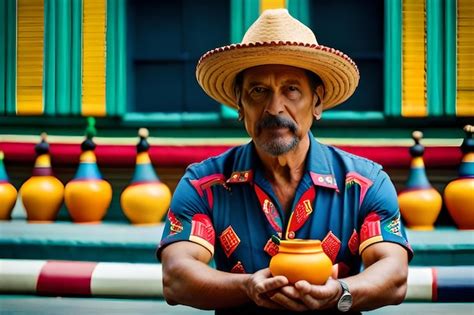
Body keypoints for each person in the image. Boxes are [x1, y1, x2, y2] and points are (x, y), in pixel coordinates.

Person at [157, 9, 412, 314]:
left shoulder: (364, 184)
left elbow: (395, 276)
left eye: (291, 89)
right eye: (258, 91)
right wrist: (247, 287)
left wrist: (341, 292)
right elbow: (175, 278)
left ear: (317, 101)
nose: (274, 108)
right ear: (240, 105)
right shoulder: (204, 184)